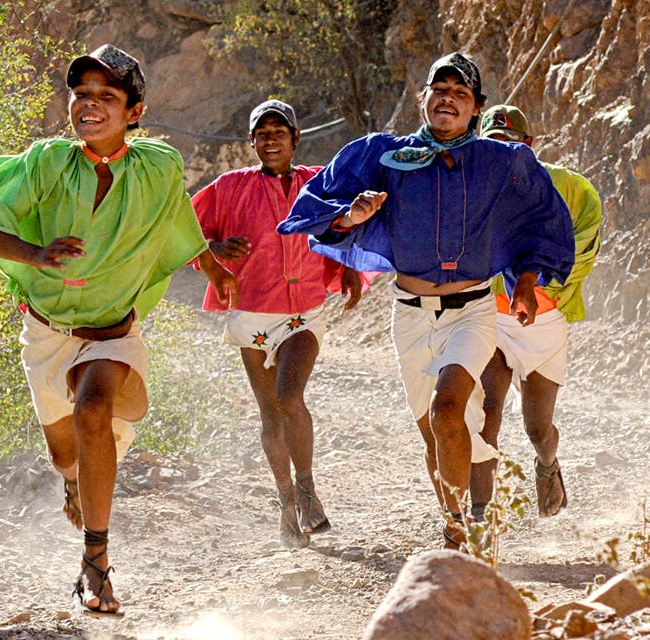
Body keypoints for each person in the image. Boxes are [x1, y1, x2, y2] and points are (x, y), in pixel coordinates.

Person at [0, 44, 237, 615]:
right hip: (46, 333)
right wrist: (33, 253)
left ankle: (96, 562)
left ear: (134, 111)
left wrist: (208, 263)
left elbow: (176, 217)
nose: (90, 105)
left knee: (92, 409)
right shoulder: (48, 162)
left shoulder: (159, 167)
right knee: (65, 457)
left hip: (113, 334)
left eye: (107, 96)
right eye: (82, 94)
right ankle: (77, 482)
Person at [276, 52, 575, 549]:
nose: (448, 100)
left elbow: (540, 219)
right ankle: (472, 514)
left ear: (476, 108)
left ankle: (462, 532)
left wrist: (525, 278)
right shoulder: (382, 157)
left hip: (473, 311)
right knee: (437, 438)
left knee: (447, 410)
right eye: (440, 89)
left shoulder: (500, 162)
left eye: (461, 93)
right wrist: (352, 215)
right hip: (409, 315)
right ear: (423, 98)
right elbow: (316, 205)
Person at [193, 99, 363, 548]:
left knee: (290, 396)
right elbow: (182, 229)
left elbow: (345, 225)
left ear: (295, 139)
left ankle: (306, 489)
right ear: (251, 142)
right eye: (262, 134)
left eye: (279, 132)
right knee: (269, 413)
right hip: (252, 312)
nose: (270, 140)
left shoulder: (318, 181)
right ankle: (285, 502)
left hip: (304, 308)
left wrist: (348, 267)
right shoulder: (229, 187)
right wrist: (213, 248)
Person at [469, 105, 601, 519]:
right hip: (490, 318)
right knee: (487, 412)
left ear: (527, 146)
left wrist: (542, 285)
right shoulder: (468, 186)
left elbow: (586, 239)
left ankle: (548, 465)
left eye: (509, 144)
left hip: (543, 323)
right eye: (492, 145)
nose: (501, 152)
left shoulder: (569, 186)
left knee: (537, 428)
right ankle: (479, 519)